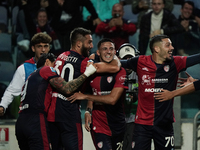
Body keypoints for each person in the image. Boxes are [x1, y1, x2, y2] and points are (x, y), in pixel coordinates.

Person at [120, 34, 200, 150]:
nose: (172, 48)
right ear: (156, 49)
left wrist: (173, 93)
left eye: (171, 45)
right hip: (142, 125)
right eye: (168, 45)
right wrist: (94, 60)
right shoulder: (140, 61)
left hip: (164, 125)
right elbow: (119, 64)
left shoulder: (175, 62)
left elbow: (197, 58)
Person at [47, 27, 120, 150]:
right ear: (79, 44)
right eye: (89, 42)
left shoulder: (60, 56)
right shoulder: (84, 63)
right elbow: (115, 67)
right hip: (69, 113)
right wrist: (114, 54)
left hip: (52, 113)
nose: (91, 45)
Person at [15, 53, 97, 150]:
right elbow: (67, 88)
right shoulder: (47, 69)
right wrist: (87, 73)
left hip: (20, 121)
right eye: (55, 64)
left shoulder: (31, 76)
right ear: (47, 62)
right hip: (36, 120)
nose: (57, 68)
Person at [68, 38, 128, 150]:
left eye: (111, 49)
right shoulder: (92, 71)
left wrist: (85, 97)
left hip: (118, 124)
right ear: (98, 52)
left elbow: (112, 99)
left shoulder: (121, 71)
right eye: (104, 49)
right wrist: (88, 110)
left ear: (115, 52)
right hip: (99, 125)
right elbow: (93, 91)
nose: (108, 52)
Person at [0, 33, 52, 116]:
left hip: (51, 115)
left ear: (49, 48)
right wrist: (3, 106)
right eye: (39, 46)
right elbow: (11, 91)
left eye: (45, 46)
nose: (43, 50)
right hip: (31, 115)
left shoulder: (57, 66)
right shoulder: (24, 68)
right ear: (33, 48)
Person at [117, 43, 139, 150]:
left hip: (133, 120)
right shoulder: (114, 73)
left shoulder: (140, 74)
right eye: (125, 59)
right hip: (116, 120)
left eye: (131, 58)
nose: (128, 62)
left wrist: (135, 96)